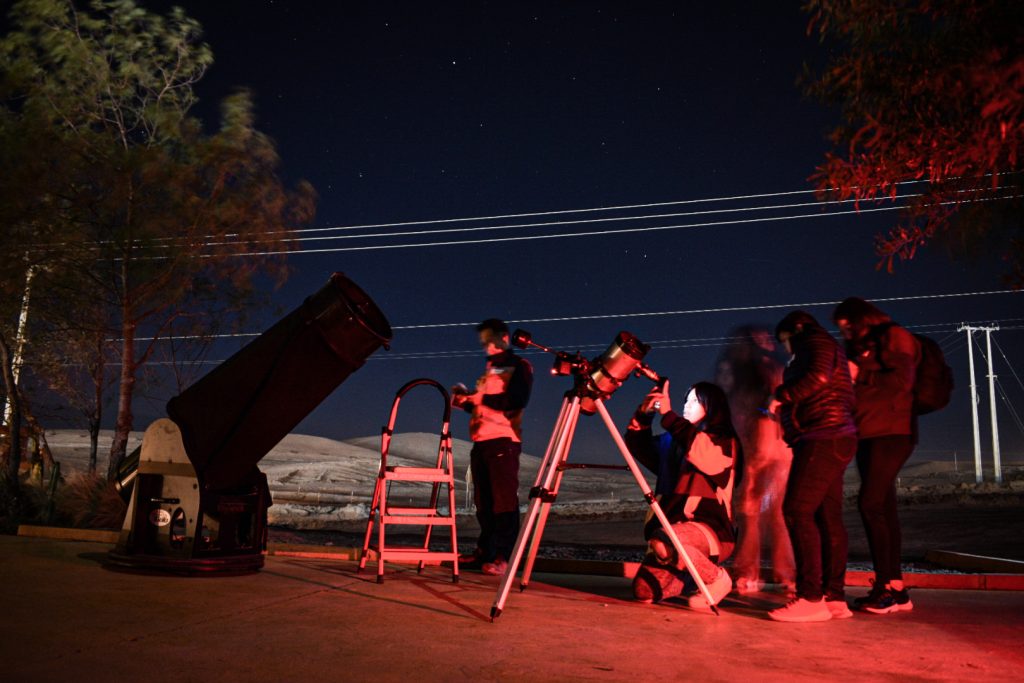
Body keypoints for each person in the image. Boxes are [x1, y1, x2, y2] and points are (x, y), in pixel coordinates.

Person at [833, 297, 920, 614]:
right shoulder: (859, 346)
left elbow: (902, 381)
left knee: (869, 503)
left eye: (848, 327)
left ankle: (885, 588)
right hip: (867, 432)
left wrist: (860, 374)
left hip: (893, 432)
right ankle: (895, 587)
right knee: (883, 507)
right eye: (841, 329)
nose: (845, 333)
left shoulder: (894, 336)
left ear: (863, 319)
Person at [768, 311, 857, 623]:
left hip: (822, 436)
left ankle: (810, 598)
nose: (786, 349)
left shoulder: (814, 341)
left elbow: (817, 378)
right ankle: (834, 597)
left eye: (785, 341)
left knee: (797, 510)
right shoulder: (825, 344)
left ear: (796, 329)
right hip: (834, 435)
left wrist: (781, 396)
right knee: (826, 517)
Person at [624, 380, 739, 610]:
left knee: (665, 540)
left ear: (712, 407)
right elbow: (638, 444)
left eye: (695, 401)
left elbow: (702, 453)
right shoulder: (673, 442)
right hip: (675, 532)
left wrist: (669, 416)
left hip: (710, 531)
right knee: (644, 592)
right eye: (686, 400)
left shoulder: (723, 442)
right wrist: (645, 414)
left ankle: (717, 579)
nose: (687, 405)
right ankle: (691, 577)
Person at [715, 326, 795, 594]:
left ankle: (758, 574)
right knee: (764, 511)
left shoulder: (760, 369)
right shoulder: (766, 368)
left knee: (756, 509)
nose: (766, 342)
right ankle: (781, 575)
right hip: (770, 445)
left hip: (766, 445)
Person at [451, 319, 533, 576]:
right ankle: (485, 553)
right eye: (483, 342)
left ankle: (504, 558)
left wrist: (479, 398)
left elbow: (517, 400)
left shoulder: (519, 365)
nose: (486, 346)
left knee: (503, 502)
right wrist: (465, 401)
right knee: (483, 503)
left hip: (503, 441)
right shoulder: (490, 370)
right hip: (482, 442)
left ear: (504, 338)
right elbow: (484, 405)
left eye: (490, 340)